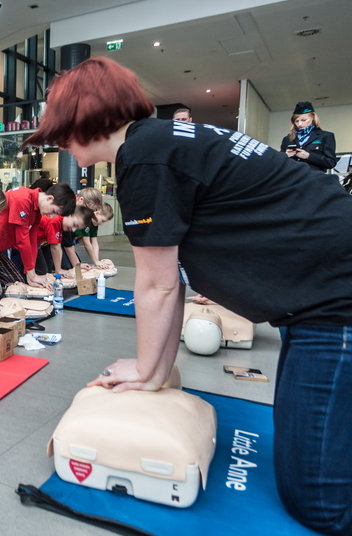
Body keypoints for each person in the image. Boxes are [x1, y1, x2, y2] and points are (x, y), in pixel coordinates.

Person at [24, 56, 352, 536]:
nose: (58, 141)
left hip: (334, 301)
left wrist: (142, 368)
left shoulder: (146, 156)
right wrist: (153, 373)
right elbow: (172, 277)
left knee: (318, 501)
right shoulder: (162, 142)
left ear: (87, 116)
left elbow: (156, 282)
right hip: (314, 302)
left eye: (60, 127)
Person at [0, 183, 77, 300]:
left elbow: (33, 242)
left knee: (18, 284)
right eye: (54, 211)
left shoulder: (36, 211)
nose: (51, 217)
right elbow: (22, 240)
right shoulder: (23, 199)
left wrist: (30, 273)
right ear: (50, 198)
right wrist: (32, 274)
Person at [34, 205, 94, 277]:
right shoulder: (54, 220)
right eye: (74, 225)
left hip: (35, 245)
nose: (73, 230)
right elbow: (55, 247)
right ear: (69, 215)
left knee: (45, 271)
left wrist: (77, 265)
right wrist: (58, 270)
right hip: (23, 245)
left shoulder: (61, 223)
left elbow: (58, 246)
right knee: (40, 272)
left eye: (77, 228)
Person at [280, 101, 337, 172]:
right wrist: (285, 156)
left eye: (303, 120)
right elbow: (279, 163)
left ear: (313, 118)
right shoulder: (287, 139)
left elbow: (331, 162)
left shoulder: (326, 136)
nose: (299, 124)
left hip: (314, 179)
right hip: (292, 179)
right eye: (296, 121)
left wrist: (308, 156)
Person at [75, 202, 114, 267]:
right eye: (102, 221)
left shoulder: (95, 225)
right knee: (72, 265)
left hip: (72, 243)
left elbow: (94, 243)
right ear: (97, 213)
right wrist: (95, 261)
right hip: (66, 242)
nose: (102, 224)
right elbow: (87, 243)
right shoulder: (87, 220)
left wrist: (97, 261)